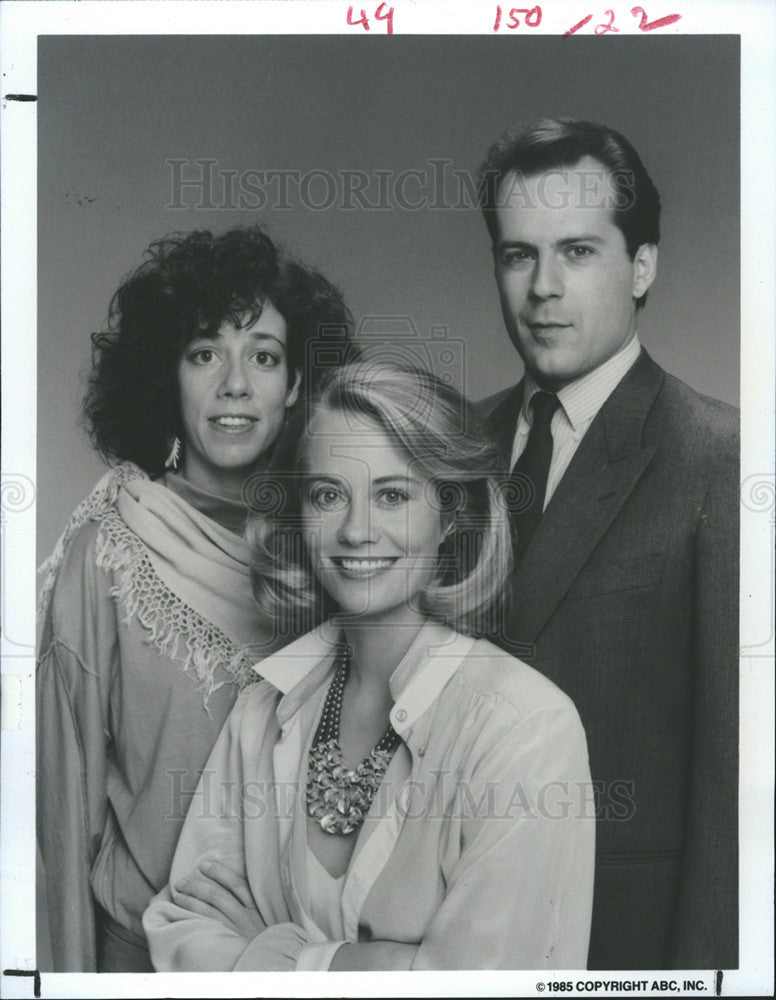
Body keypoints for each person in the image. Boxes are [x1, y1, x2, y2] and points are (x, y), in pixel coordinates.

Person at [142, 360, 595, 970]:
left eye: (392, 495)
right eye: (329, 495)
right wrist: (386, 963)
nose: (357, 531)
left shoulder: (526, 729)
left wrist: (279, 958)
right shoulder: (263, 706)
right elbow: (182, 927)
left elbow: (477, 986)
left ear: (451, 515)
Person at [36, 225, 354, 972]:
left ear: (298, 384)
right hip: (138, 960)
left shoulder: (341, 550)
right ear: (166, 376)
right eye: (205, 353)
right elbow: (62, 808)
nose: (235, 385)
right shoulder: (107, 552)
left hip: (295, 959)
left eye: (264, 358)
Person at [477, 117, 739, 969]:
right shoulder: (452, 447)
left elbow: (733, 787)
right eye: (519, 255)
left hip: (620, 943)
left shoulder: (721, 460)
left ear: (643, 264)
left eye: (578, 252)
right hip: (448, 934)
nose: (543, 287)